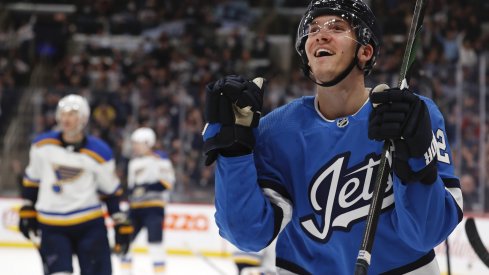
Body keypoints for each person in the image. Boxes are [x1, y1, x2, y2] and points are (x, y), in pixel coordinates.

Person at [202, 0, 463, 274]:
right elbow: (247, 236)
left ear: (365, 50)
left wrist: (415, 158)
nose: (320, 34)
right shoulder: (277, 131)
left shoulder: (411, 115)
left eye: (336, 27)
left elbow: (427, 234)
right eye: (312, 29)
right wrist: (234, 153)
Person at [18, 94, 133, 275]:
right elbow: (32, 180)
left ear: (84, 118)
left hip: (89, 226)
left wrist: (119, 221)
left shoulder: (99, 151)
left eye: (72, 113)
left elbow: (109, 191)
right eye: (62, 113)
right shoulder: (42, 146)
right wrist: (27, 209)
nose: (66, 118)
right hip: (52, 225)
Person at [119, 127, 175, 275]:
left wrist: (145, 188)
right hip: (135, 208)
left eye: (137, 143)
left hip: (154, 208)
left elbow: (167, 183)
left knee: (155, 244)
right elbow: (131, 189)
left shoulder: (161, 159)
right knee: (125, 241)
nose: (134, 146)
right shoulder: (133, 163)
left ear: (148, 142)